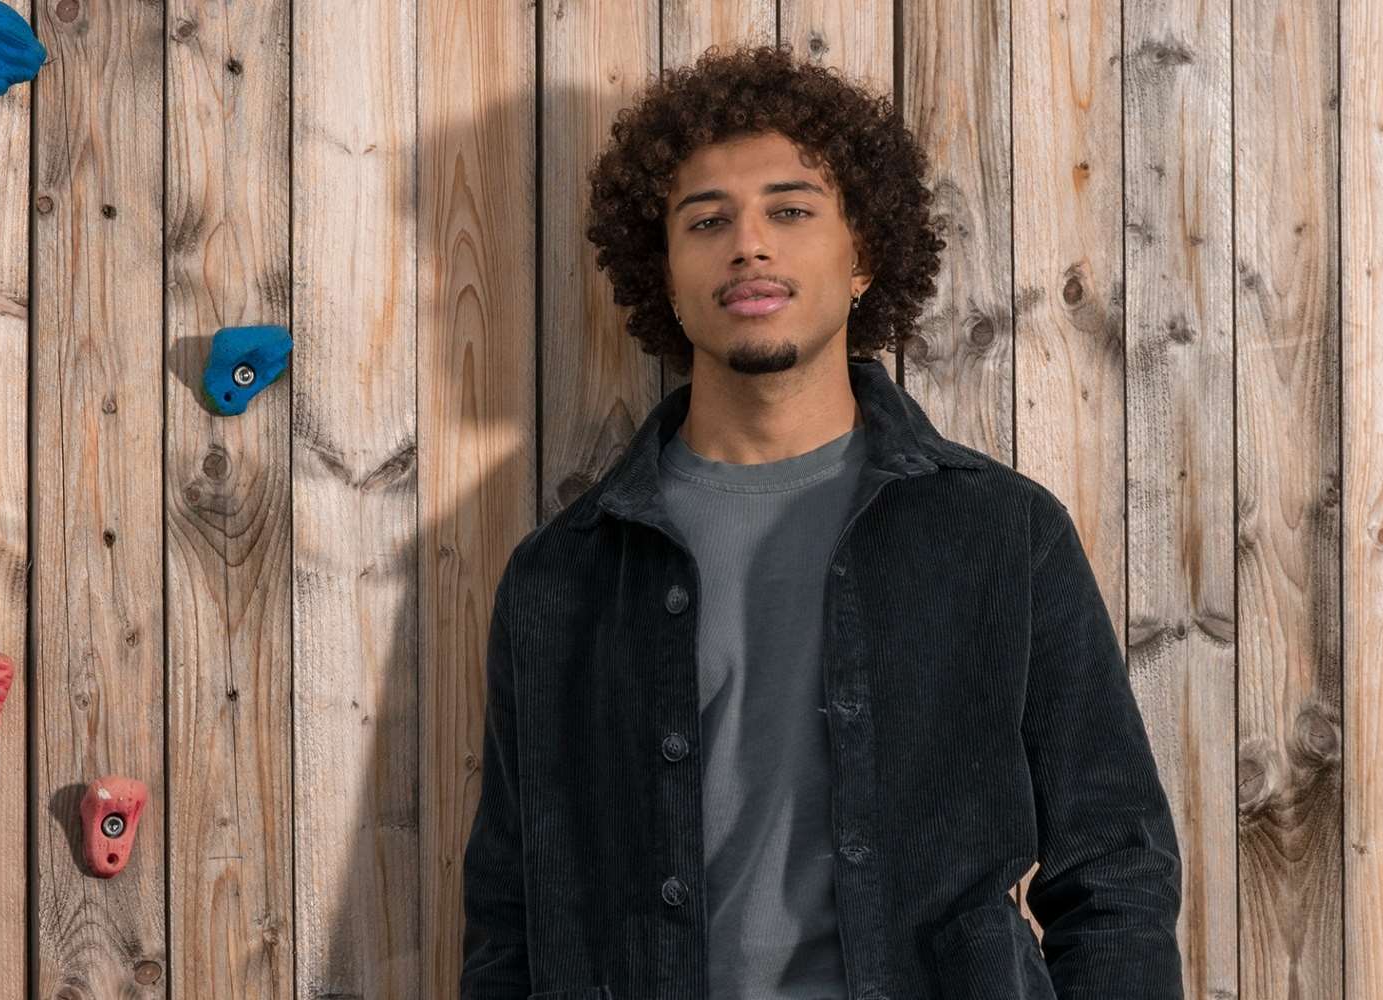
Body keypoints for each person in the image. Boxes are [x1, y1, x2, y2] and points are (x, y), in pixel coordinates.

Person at [460, 41, 1183, 1000]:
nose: (749, 244)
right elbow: (511, 918)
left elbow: (1117, 872)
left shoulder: (1003, 535)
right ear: (665, 276)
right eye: (706, 220)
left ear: (863, 257)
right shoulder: (562, 576)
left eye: (791, 211)